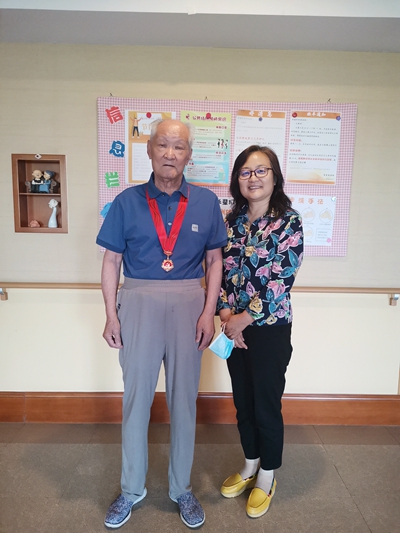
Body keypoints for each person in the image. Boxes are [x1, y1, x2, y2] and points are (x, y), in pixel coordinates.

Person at [96, 118, 227, 530]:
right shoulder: (126, 201)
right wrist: (111, 313)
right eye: (163, 145)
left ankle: (181, 488)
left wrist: (207, 311)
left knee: (184, 400)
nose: (170, 153)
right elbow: (112, 260)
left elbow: (215, 261)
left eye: (179, 146)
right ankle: (131, 489)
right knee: (136, 399)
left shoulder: (205, 202)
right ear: (150, 150)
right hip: (138, 301)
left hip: (190, 303)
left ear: (189, 155)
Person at [217, 145, 303, 519]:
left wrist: (242, 319)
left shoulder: (289, 222)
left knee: (266, 404)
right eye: (245, 172)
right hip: (232, 327)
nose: (253, 178)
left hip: (269, 329)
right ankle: (250, 463)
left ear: (275, 176)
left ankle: (267, 475)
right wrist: (225, 312)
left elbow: (282, 279)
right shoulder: (231, 222)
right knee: (243, 402)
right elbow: (216, 269)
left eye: (261, 170)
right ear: (237, 179)